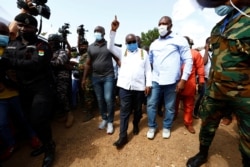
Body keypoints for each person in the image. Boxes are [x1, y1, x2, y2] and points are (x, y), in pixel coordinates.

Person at [187, 1, 250, 166]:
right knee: (207, 123)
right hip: (216, 90)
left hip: (244, 94)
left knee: (248, 136)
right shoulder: (220, 25)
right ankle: (202, 153)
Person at [4, 13, 56, 167]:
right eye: (20, 25)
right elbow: (4, 60)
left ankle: (49, 148)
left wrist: (10, 62)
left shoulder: (42, 46)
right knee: (30, 120)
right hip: (24, 89)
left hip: (42, 87)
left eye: (27, 26)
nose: (23, 29)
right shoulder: (12, 44)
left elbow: (36, 64)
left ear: (35, 28)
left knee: (39, 118)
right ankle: (45, 143)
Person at [146, 16, 193, 140]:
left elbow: (188, 60)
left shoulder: (180, 40)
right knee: (151, 104)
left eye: (164, 23)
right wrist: (148, 80)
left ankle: (166, 127)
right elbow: (149, 63)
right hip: (156, 79)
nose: (161, 26)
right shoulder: (154, 44)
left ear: (170, 26)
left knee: (170, 106)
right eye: (160, 23)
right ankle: (152, 126)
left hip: (172, 81)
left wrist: (183, 80)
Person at [108, 17, 152, 148]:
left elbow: (148, 70)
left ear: (136, 42)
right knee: (124, 112)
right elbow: (109, 46)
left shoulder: (143, 53)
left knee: (138, 111)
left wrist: (148, 84)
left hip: (139, 88)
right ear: (126, 43)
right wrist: (113, 31)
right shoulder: (122, 52)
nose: (131, 43)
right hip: (124, 88)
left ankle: (136, 124)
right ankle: (123, 137)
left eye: (133, 41)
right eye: (129, 42)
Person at [0, 21, 41, 161]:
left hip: (15, 92)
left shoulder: (12, 46)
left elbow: (13, 27)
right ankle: (11, 144)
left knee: (23, 118)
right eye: (1, 34)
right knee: (2, 123)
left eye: (5, 34)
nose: (3, 36)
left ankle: (33, 136)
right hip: (1, 97)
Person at [81, 25, 120, 134]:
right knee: (100, 99)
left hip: (108, 76)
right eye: (95, 31)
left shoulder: (109, 46)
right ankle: (104, 118)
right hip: (96, 77)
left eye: (99, 31)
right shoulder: (91, 47)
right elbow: (88, 64)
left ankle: (111, 121)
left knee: (108, 98)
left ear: (103, 33)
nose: (97, 33)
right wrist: (84, 79)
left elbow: (117, 59)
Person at [175, 36, 205, 134]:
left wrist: (201, 80)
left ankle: (188, 123)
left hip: (189, 83)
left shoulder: (195, 54)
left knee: (189, 104)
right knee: (173, 102)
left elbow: (200, 67)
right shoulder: (175, 53)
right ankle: (173, 116)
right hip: (175, 82)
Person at [48, 34, 74, 128]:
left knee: (62, 94)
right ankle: (64, 114)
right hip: (52, 76)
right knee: (56, 96)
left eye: (52, 42)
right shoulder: (48, 51)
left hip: (62, 76)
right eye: (49, 42)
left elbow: (59, 62)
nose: (50, 44)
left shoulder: (61, 51)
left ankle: (69, 113)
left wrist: (46, 61)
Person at [77, 40, 96, 122]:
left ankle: (90, 112)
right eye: (81, 46)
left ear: (88, 46)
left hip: (89, 78)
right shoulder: (83, 55)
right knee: (88, 94)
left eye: (84, 45)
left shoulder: (88, 54)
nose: (82, 47)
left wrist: (75, 66)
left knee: (88, 94)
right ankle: (90, 108)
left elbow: (85, 67)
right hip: (85, 77)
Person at [193, 37, 211, 119]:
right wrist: (206, 50)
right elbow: (204, 62)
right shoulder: (202, 52)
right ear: (207, 44)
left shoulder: (215, 53)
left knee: (209, 96)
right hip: (204, 77)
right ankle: (195, 111)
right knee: (203, 95)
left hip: (212, 78)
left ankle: (204, 112)